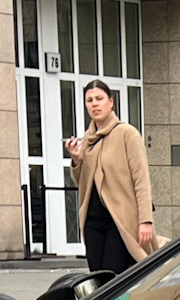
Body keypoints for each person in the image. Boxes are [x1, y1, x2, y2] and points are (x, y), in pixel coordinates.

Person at [64, 79, 156, 276]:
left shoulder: (127, 134)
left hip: (119, 219)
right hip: (93, 221)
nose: (94, 104)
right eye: (89, 100)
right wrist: (76, 160)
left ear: (111, 102)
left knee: (114, 276)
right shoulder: (88, 140)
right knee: (97, 278)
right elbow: (82, 183)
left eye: (99, 98)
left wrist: (145, 220)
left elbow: (141, 180)